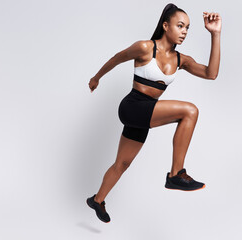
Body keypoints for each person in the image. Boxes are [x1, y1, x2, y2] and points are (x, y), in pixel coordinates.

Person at [87, 3, 221, 223]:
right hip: (133, 106)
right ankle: (176, 174)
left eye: (187, 27)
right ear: (166, 26)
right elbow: (117, 57)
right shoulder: (145, 47)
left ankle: (97, 200)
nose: (184, 31)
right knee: (190, 111)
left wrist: (215, 34)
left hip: (147, 112)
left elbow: (211, 73)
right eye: (180, 26)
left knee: (122, 164)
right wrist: (96, 78)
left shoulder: (181, 60)